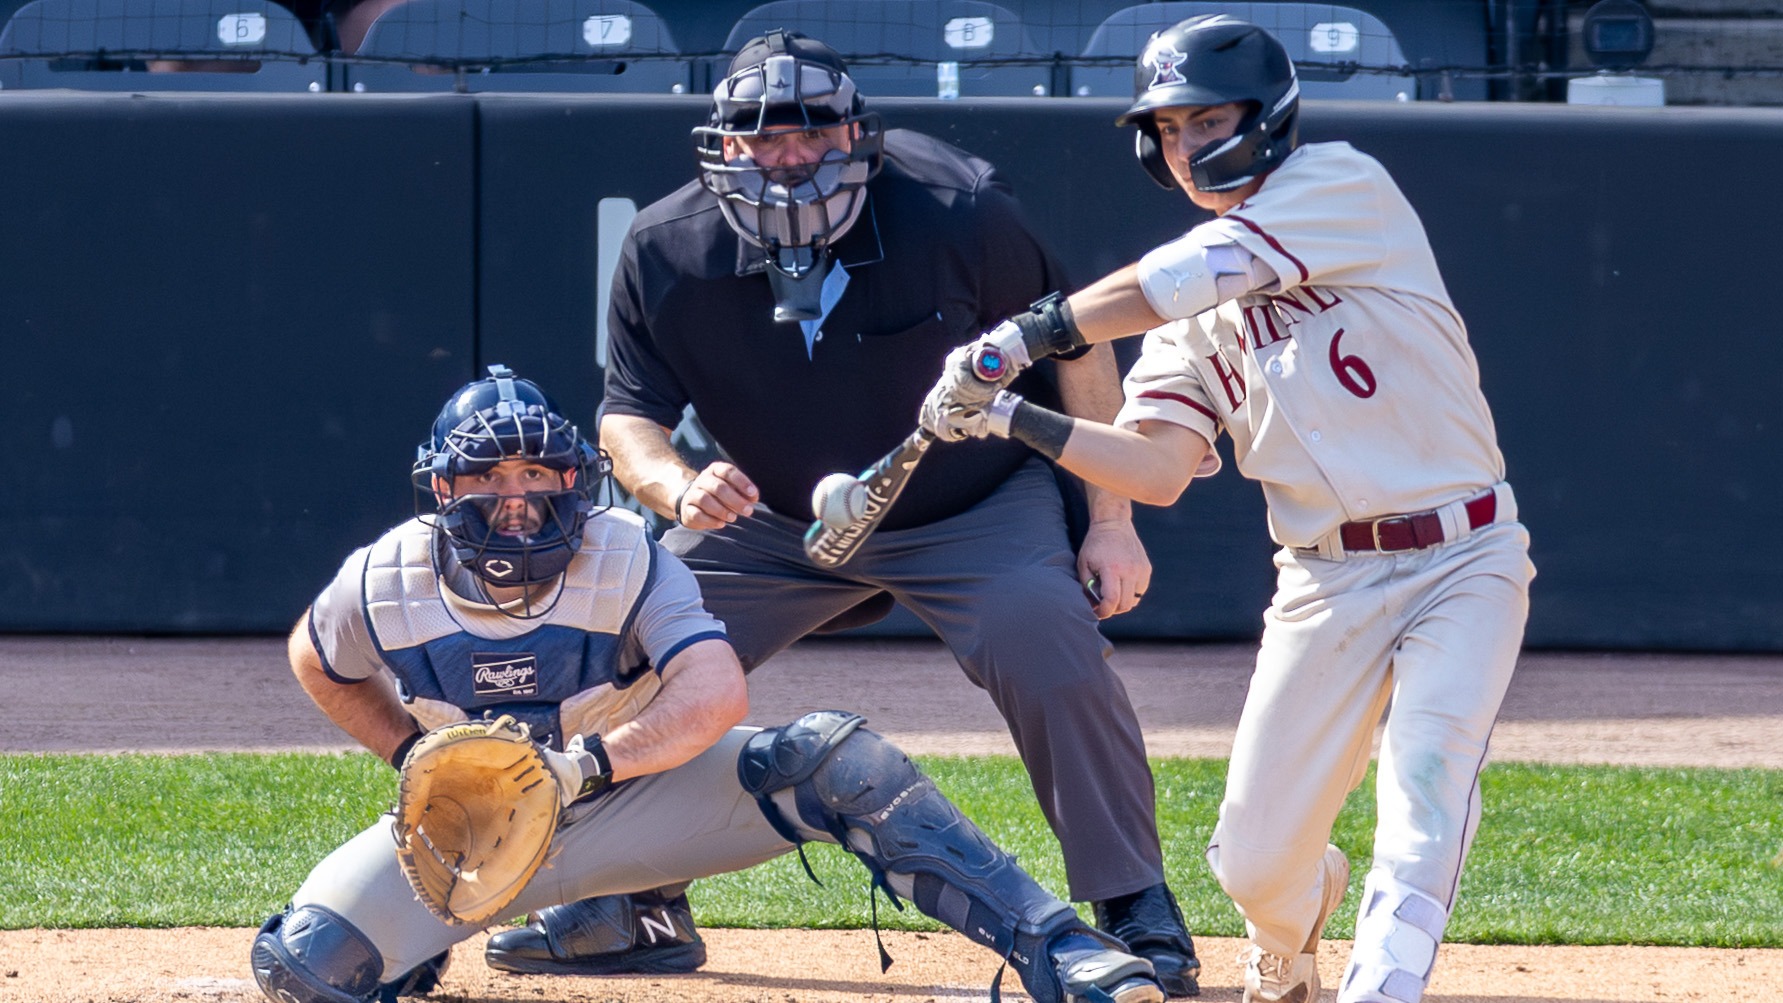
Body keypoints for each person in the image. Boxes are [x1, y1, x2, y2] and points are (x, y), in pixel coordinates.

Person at [482, 28, 1203, 1000]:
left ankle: (1132, 903)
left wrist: (1110, 522)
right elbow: (628, 417)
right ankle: (635, 899)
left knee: (1043, 635)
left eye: (812, 133)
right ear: (722, 145)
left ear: (857, 132)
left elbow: (1074, 346)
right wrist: (676, 487)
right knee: (626, 645)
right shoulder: (666, 246)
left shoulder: (958, 209)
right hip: (774, 515)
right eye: (762, 137)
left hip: (969, 501)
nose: (788, 156)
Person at [917, 15, 1535, 1003]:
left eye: (1206, 120)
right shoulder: (1190, 322)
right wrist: (1009, 419)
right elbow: (1155, 469)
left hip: (1463, 555)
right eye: (1167, 130)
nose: (1187, 145)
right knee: (1251, 862)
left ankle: (1385, 986)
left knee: (1423, 787)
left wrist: (1020, 337)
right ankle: (1292, 936)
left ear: (1266, 116)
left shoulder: (1340, 186)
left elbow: (1183, 277)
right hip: (1323, 578)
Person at [248, 364, 1168, 1003]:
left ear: (576, 479)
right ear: (442, 489)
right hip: (461, 839)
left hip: (622, 800)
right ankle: (592, 932)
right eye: (486, 474)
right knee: (308, 962)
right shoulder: (385, 575)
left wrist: (582, 768)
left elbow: (716, 694)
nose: (514, 495)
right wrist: (408, 752)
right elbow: (314, 655)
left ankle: (1066, 948)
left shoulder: (623, 555)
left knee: (838, 762)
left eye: (535, 471)